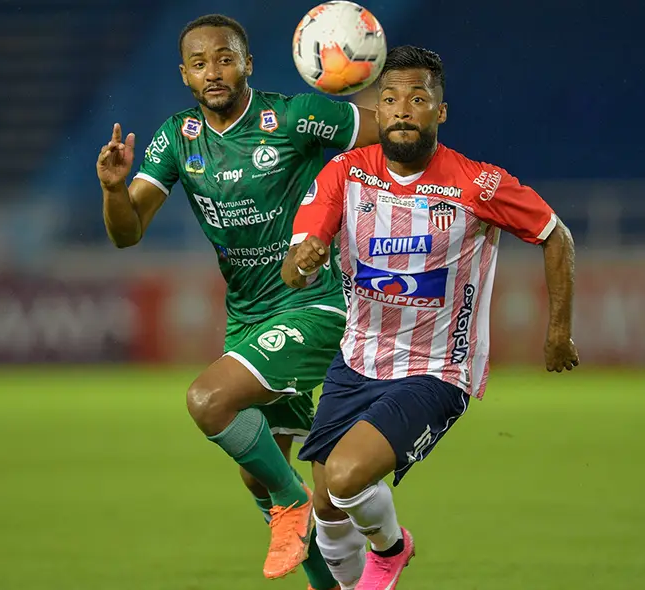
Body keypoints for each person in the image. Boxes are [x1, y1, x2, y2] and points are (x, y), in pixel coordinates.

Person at [96, 13, 380, 588]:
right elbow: (127, 233)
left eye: (225, 58)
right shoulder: (178, 138)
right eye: (199, 64)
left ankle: (291, 502)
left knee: (208, 401)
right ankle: (322, 568)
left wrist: (368, 94)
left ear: (247, 62)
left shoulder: (296, 117)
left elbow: (396, 134)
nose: (214, 72)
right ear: (184, 75)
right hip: (248, 316)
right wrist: (112, 193)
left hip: (314, 302)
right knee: (257, 474)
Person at [281, 45, 580, 590]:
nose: (401, 110)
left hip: (436, 368)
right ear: (377, 109)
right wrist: (301, 265)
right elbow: (297, 261)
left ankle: (392, 550)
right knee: (324, 506)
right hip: (356, 359)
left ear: (439, 112)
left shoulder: (476, 185)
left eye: (417, 99)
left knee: (347, 479)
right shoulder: (344, 173)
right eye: (389, 98)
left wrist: (558, 328)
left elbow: (555, 234)